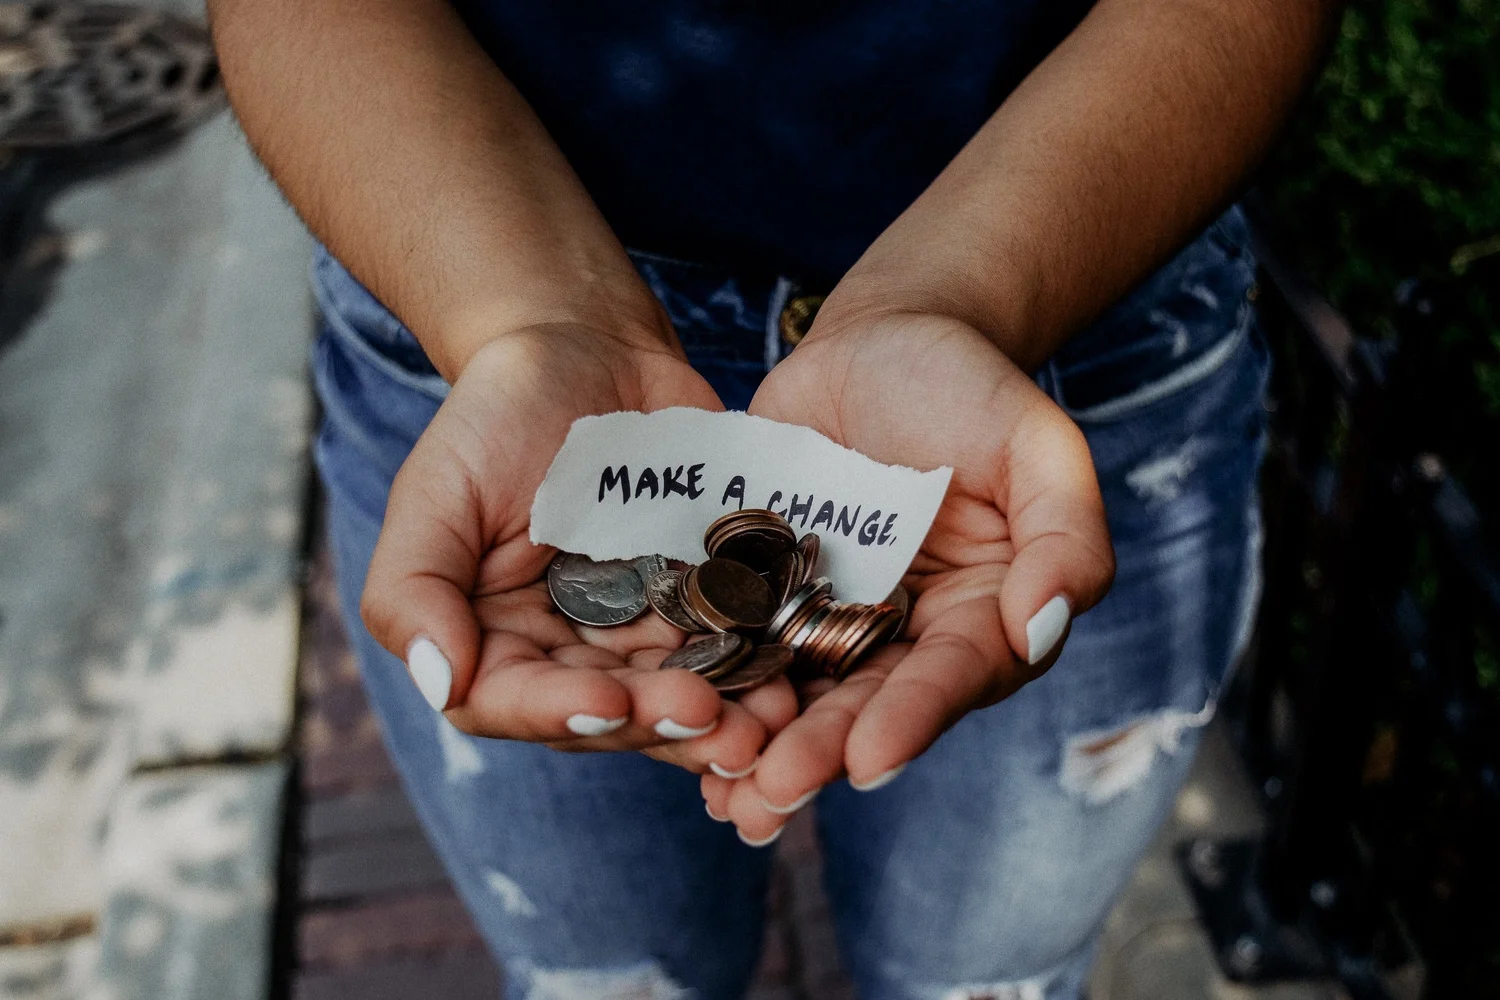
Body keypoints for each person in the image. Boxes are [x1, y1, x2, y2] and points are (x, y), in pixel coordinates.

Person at [210, 1, 1338, 996]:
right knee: (604, 985)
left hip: (1072, 310)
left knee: (988, 988)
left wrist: (951, 300)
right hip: (475, 321)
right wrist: (526, 325)